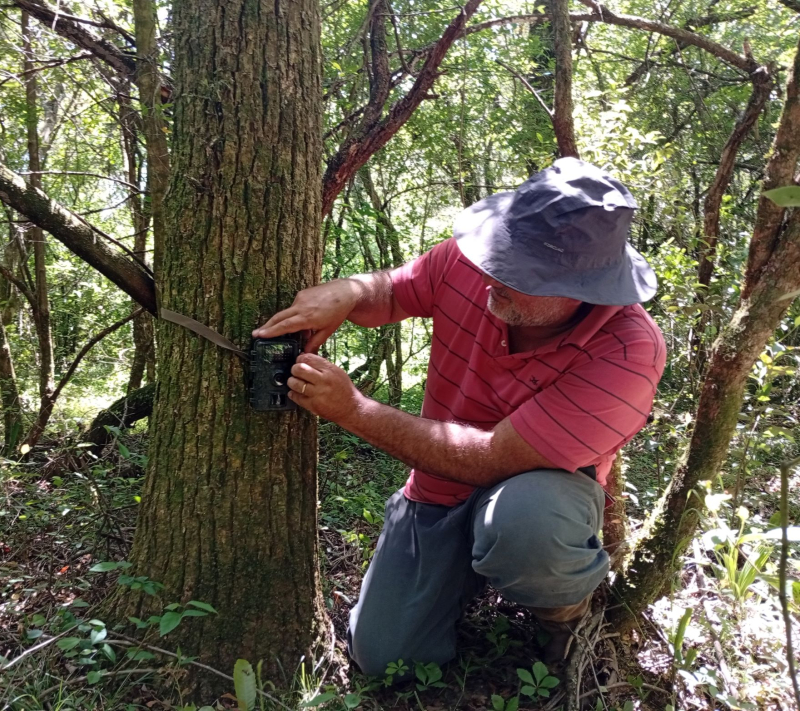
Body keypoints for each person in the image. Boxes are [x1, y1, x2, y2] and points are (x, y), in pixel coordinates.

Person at [254, 158, 666, 675]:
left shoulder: (625, 351)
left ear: (581, 288)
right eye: (501, 254)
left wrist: (354, 409)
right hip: (437, 488)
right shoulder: (474, 262)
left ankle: (562, 616)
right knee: (386, 660)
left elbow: (495, 459)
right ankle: (455, 568)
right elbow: (396, 291)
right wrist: (350, 293)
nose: (493, 272)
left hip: (532, 494)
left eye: (519, 271)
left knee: (528, 521)